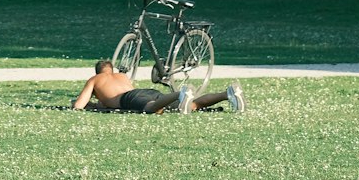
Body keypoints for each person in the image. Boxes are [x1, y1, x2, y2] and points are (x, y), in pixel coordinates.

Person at [72, 61, 246, 115]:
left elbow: (78, 105)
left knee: (150, 109)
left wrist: (93, 103)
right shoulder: (121, 76)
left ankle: (180, 93)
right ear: (112, 70)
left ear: (98, 71)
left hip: (130, 98)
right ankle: (227, 93)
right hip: (148, 92)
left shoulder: (95, 79)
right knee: (191, 105)